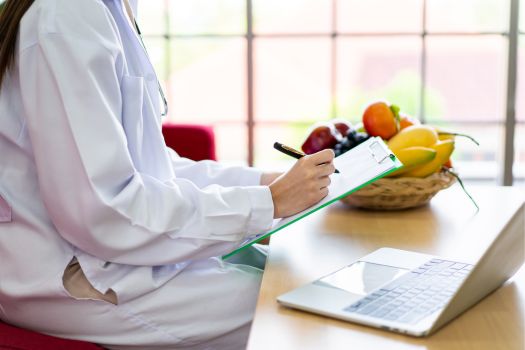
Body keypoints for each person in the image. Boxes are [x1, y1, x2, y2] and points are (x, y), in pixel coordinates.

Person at [0, 0, 335, 349]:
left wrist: (262, 183)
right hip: (74, 276)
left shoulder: (111, 8)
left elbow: (150, 166)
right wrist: (266, 203)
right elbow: (103, 210)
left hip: (115, 254)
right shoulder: (69, 15)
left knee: (303, 278)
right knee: (301, 306)